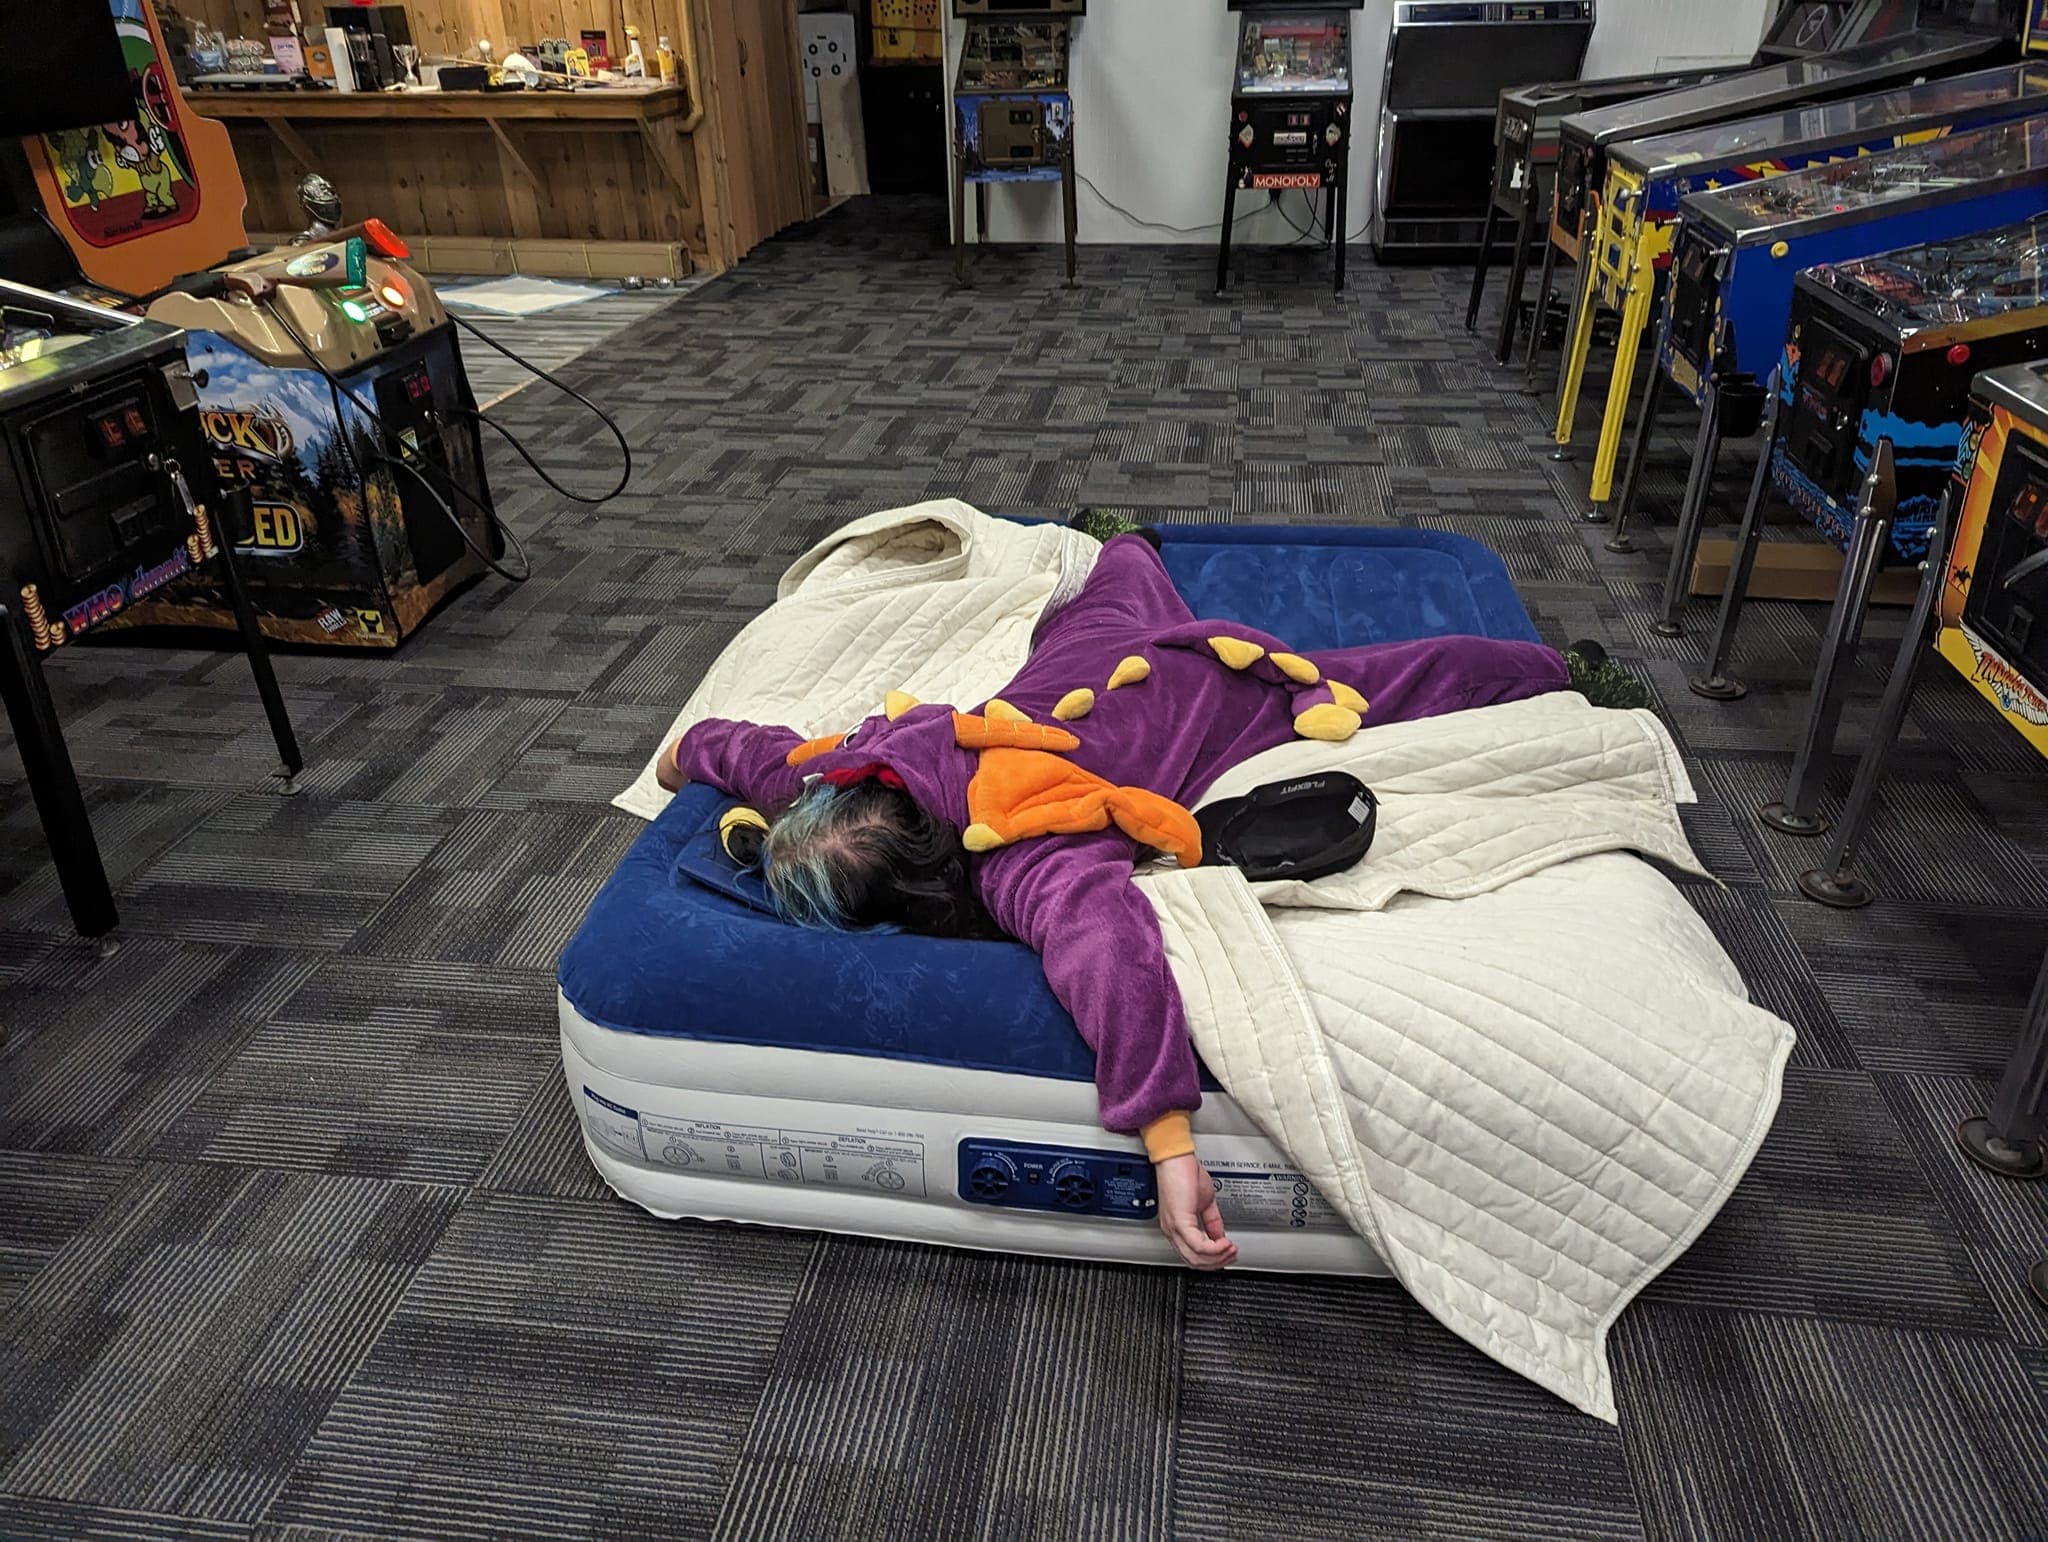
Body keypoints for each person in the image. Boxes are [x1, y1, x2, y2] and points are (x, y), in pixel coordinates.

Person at [657, 529, 1629, 1269]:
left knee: (1387, 682)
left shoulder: (1029, 847)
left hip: (1213, 695)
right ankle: (1123, 536)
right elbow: (755, 753)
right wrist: (682, 754)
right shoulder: (867, 763)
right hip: (1082, 673)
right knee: (1114, 589)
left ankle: (1569, 674)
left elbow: (1112, 957)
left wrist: (1168, 1142)